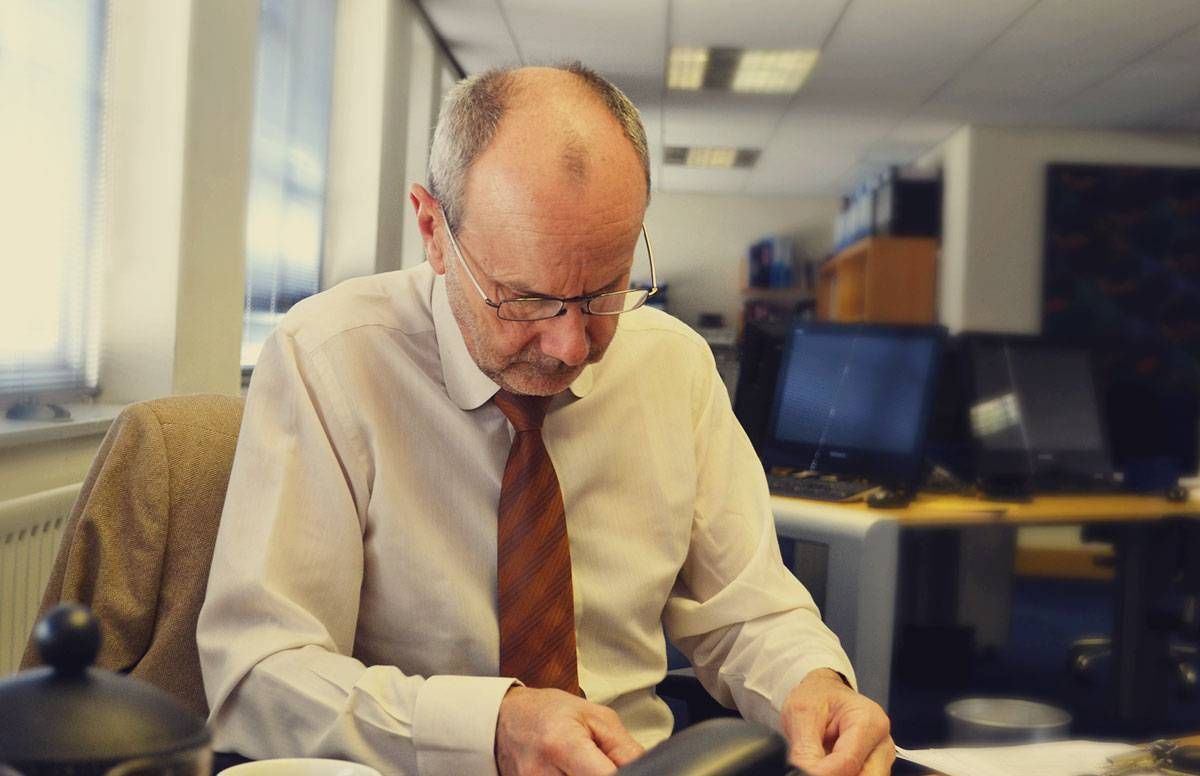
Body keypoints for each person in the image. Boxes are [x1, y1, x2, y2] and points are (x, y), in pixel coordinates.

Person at [197, 62, 893, 776]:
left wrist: (813, 684)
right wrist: (490, 727)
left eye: (604, 288)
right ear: (433, 230)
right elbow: (258, 673)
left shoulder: (675, 367)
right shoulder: (328, 360)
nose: (571, 346)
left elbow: (747, 612)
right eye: (526, 299)